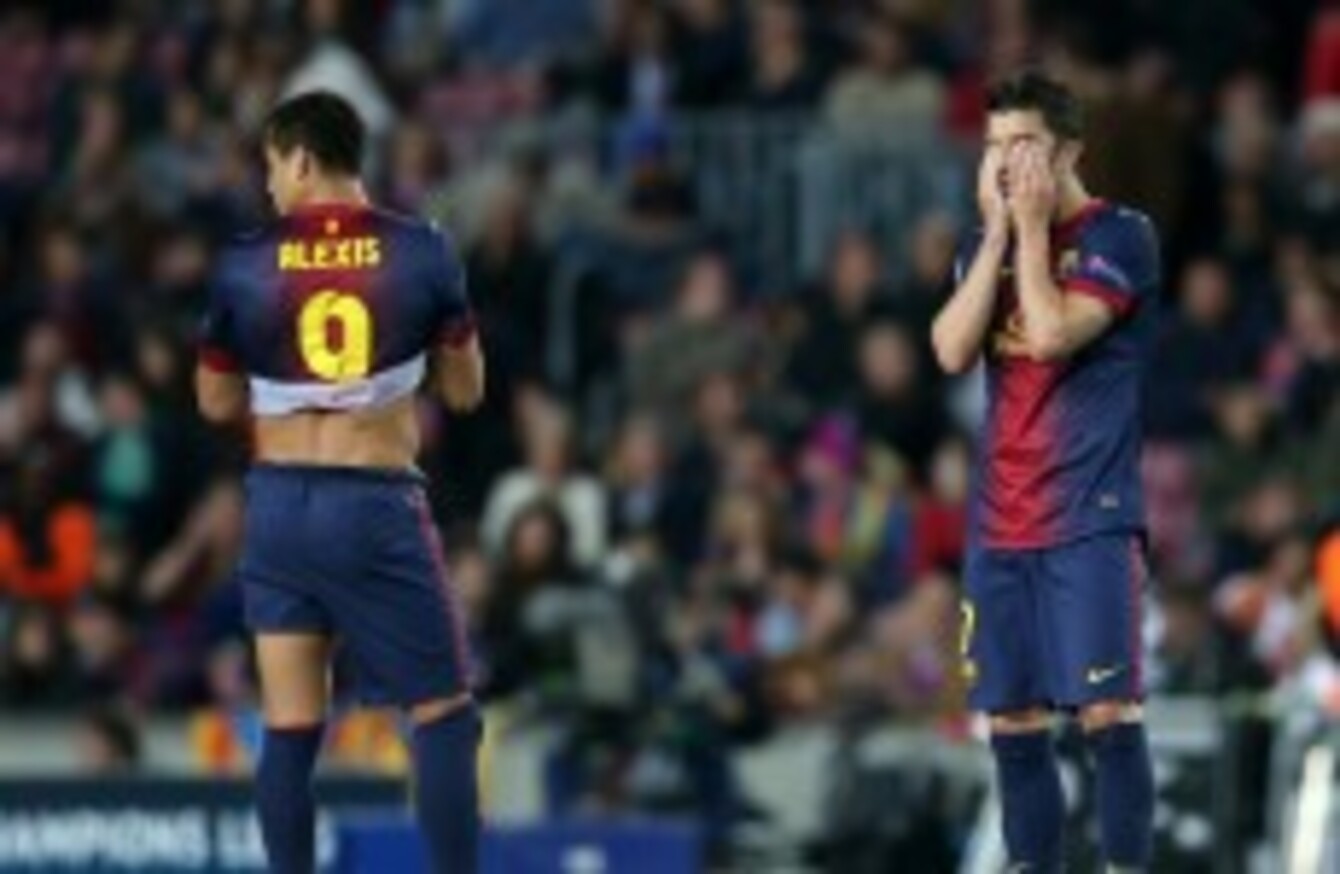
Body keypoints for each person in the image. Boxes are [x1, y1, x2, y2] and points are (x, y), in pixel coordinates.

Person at [195, 91, 485, 874]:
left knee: (290, 731)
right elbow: (466, 391)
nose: (268, 184)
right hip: (373, 500)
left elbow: (214, 401)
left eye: (270, 165)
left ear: (303, 160)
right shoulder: (423, 250)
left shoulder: (244, 260)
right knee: (445, 717)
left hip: (278, 506)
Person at [931, 70, 1161, 873]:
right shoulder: (983, 247)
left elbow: (1055, 334)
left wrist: (1030, 233)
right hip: (1000, 525)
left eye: (1023, 144)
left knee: (1108, 713)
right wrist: (1000, 235)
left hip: (1090, 518)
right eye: (994, 146)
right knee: (1012, 723)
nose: (1005, 162)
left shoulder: (1121, 237)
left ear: (1069, 152)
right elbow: (950, 349)